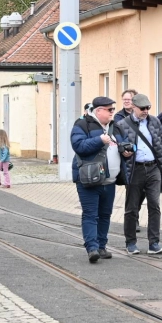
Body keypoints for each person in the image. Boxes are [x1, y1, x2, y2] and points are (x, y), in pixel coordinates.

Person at [115, 94, 162, 255]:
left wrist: (158, 162)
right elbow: (117, 145)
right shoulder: (122, 124)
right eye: (142, 108)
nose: (145, 111)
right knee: (132, 208)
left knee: (154, 205)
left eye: (148, 108)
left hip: (153, 168)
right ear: (133, 108)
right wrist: (124, 152)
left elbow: (161, 141)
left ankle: (154, 243)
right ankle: (130, 243)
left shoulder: (155, 121)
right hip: (134, 169)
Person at [71, 96, 120, 263]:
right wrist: (99, 140)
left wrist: (126, 150)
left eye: (113, 109)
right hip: (89, 178)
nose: (112, 113)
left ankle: (101, 246)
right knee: (91, 214)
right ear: (99, 111)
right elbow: (79, 146)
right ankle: (92, 248)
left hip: (110, 180)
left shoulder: (114, 126)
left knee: (105, 214)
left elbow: (122, 143)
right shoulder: (82, 124)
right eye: (109, 110)